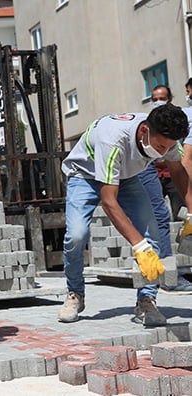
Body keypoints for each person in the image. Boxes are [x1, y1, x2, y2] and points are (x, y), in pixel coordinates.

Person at [59, 104, 192, 325]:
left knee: (152, 232)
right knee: (76, 235)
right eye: (159, 146)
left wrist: (191, 212)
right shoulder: (113, 141)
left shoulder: (164, 136)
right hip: (84, 174)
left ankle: (147, 300)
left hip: (126, 176)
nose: (161, 153)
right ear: (144, 131)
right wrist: (139, 246)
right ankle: (75, 293)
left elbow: (178, 170)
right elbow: (109, 202)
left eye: (166, 148)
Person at [140, 86, 192, 293]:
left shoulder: (179, 120)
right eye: (154, 98)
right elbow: (185, 157)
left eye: (162, 98)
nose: (158, 101)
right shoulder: (151, 122)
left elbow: (181, 162)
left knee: (181, 219)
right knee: (160, 216)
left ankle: (169, 274)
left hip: (173, 171)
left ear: (170, 99)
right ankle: (167, 277)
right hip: (150, 170)